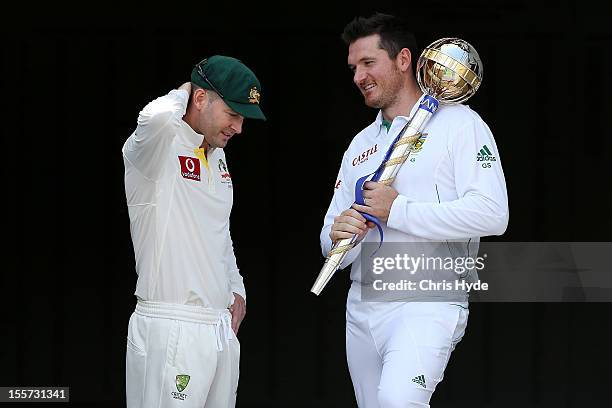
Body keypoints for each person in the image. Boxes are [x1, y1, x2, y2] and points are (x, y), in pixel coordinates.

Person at [320, 13, 508, 408]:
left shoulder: (459, 123)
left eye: (369, 63)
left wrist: (399, 209)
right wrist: (340, 236)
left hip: (428, 298)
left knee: (397, 402)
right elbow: (330, 240)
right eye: (354, 68)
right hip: (362, 301)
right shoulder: (360, 144)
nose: (358, 77)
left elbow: (493, 214)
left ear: (404, 60)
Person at [122, 55, 266, 408]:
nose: (239, 128)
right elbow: (153, 116)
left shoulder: (216, 154)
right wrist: (187, 87)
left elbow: (218, 230)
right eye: (233, 114)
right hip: (170, 324)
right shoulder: (156, 146)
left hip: (217, 329)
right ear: (200, 100)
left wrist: (236, 287)